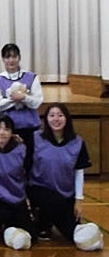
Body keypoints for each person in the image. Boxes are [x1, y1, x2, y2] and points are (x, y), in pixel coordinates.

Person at [27, 103, 91, 243]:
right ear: (46, 119)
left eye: (60, 115)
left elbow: (79, 171)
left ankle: (47, 221)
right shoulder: (36, 138)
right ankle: (42, 222)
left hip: (66, 193)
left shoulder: (77, 142)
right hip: (39, 188)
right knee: (56, 203)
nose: (56, 119)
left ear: (67, 118)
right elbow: (24, 166)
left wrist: (78, 200)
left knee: (72, 234)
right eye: (52, 115)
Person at [0, 115, 35, 241]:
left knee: (31, 234)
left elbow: (28, 173)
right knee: (3, 215)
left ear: (12, 133)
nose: (2, 133)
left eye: (6, 129)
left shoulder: (21, 149)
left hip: (16, 198)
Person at [0, 43, 44, 152]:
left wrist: (24, 98)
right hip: (9, 128)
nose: (11, 60)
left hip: (30, 126)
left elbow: (37, 102)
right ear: (3, 59)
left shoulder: (32, 77)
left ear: (19, 58)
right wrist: (14, 99)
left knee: (30, 156)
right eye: (7, 57)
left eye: (14, 57)